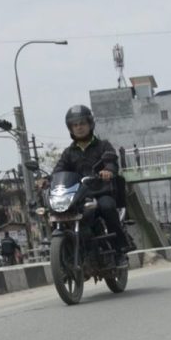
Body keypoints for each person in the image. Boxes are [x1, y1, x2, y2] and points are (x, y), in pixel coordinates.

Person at [52, 104, 127, 265]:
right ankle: (75, 252)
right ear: (70, 128)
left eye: (82, 123)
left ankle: (119, 249)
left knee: (107, 207)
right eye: (75, 125)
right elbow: (59, 170)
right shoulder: (68, 152)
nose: (79, 127)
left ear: (90, 124)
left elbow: (112, 162)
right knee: (62, 214)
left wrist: (108, 170)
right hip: (79, 197)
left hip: (101, 192)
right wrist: (46, 180)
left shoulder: (103, 146)